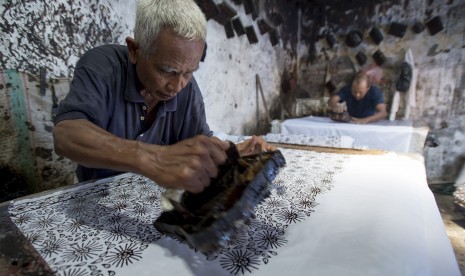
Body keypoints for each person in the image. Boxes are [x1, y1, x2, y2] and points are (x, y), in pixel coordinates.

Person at [52, 0, 273, 194]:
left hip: (148, 197)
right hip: (95, 192)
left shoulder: (187, 88)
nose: (177, 85)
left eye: (189, 72)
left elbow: (199, 144)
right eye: (167, 70)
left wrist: (232, 152)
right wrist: (150, 157)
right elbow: (66, 135)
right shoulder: (102, 67)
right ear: (134, 50)